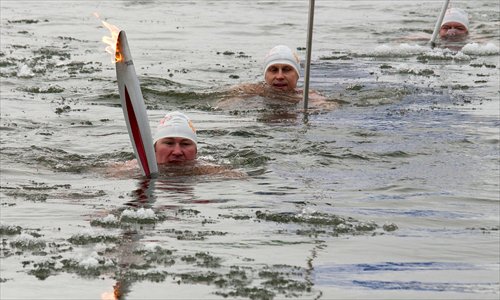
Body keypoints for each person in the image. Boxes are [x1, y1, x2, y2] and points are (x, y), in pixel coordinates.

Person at [217, 45, 336, 111]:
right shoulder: (251, 90)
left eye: (286, 69)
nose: (279, 76)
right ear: (265, 75)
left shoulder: (306, 96)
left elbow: (328, 107)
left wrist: (313, 110)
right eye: (273, 70)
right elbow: (223, 105)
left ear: (297, 75)